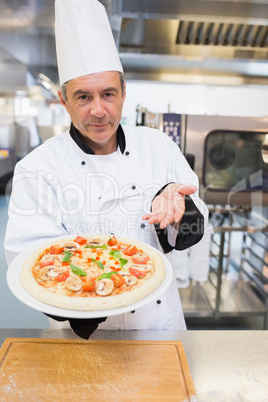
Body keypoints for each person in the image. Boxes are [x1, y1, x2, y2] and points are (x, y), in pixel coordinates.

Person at [4, 0, 208, 338]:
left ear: (124, 93)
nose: (99, 111)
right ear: (63, 100)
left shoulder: (159, 146)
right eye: (83, 97)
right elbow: (30, 256)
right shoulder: (36, 169)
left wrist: (179, 211)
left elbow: (189, 234)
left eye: (108, 94)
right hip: (80, 334)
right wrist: (73, 300)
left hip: (157, 329)